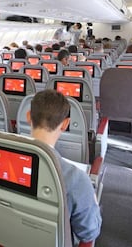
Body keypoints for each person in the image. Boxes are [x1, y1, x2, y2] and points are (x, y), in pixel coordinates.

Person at [27, 90, 102, 243]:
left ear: (28, 117)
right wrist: (91, 198)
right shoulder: (76, 180)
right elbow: (89, 232)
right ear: (65, 124)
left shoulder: (6, 159)